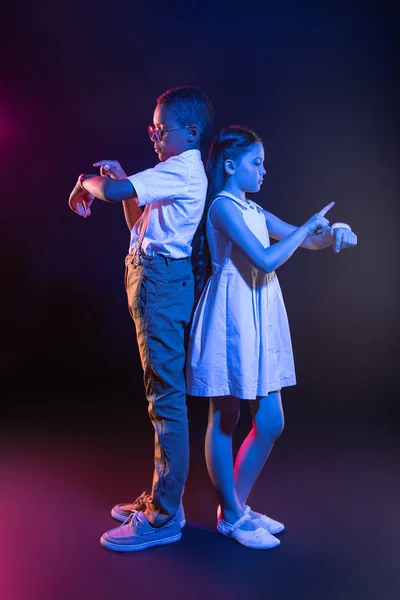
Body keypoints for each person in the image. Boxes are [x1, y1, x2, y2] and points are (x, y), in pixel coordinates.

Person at [186, 125, 357, 550]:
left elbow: (303, 240)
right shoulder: (223, 207)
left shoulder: (254, 210)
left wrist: (332, 232)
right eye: (256, 163)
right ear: (230, 166)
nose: (264, 170)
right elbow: (265, 259)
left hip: (258, 314)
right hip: (231, 317)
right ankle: (234, 512)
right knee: (225, 418)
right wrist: (307, 231)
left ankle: (235, 508)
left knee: (270, 421)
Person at [68, 85, 215, 552]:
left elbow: (110, 193)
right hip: (153, 281)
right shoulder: (173, 172)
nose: (153, 135)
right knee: (160, 392)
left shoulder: (182, 169)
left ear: (190, 133)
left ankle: (164, 515)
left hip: (161, 284)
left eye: (161, 129)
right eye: (151, 128)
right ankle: (161, 499)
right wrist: (125, 180)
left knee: (165, 398)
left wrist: (85, 183)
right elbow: (138, 223)